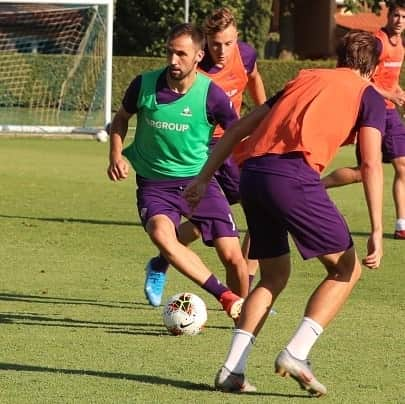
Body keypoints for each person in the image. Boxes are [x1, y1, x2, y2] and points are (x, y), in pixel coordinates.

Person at [184, 30, 385, 396]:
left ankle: (233, 369)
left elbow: (241, 126)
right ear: (373, 67)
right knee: (346, 268)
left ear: (340, 58)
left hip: (254, 176)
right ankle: (297, 352)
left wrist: (204, 177)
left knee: (273, 275)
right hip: (292, 177)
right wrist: (376, 228)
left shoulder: (306, 77)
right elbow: (370, 163)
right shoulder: (367, 93)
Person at [107, 23, 248, 321]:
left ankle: (243, 317)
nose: (173, 60)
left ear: (199, 56)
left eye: (181, 54)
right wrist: (116, 155)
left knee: (234, 258)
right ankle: (225, 296)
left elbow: (236, 132)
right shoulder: (144, 85)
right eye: (170, 52)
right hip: (154, 185)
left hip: (198, 182)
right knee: (162, 234)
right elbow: (120, 119)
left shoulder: (212, 95)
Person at [144, 7, 267, 307]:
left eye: (228, 43)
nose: (222, 51)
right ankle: (242, 296)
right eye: (215, 44)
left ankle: (164, 261)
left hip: (233, 146)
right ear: (204, 46)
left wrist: (265, 116)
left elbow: (253, 77)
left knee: (256, 209)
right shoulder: (194, 69)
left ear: (237, 37)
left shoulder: (246, 54)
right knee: (215, 217)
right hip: (199, 152)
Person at [322, 0, 405, 240]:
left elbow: (390, 79)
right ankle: (320, 185)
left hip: (390, 112)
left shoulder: (400, 46)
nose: (399, 21)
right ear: (388, 17)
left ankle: (401, 225)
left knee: (402, 166)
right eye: (396, 16)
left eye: (403, 17)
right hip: (372, 109)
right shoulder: (377, 43)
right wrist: (388, 94)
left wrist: (397, 92)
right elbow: (361, 79)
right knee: (364, 172)